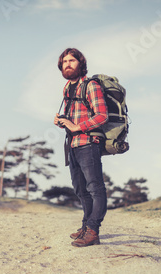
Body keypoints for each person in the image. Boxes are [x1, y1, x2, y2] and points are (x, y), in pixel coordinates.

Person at [53, 48, 108, 247]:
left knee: (95, 188)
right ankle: (86, 226)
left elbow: (102, 115)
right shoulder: (67, 88)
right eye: (64, 61)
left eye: (72, 61)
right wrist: (63, 121)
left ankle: (93, 230)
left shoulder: (91, 85)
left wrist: (78, 126)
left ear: (80, 64)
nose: (68, 64)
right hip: (73, 145)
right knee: (80, 190)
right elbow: (74, 116)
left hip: (88, 144)